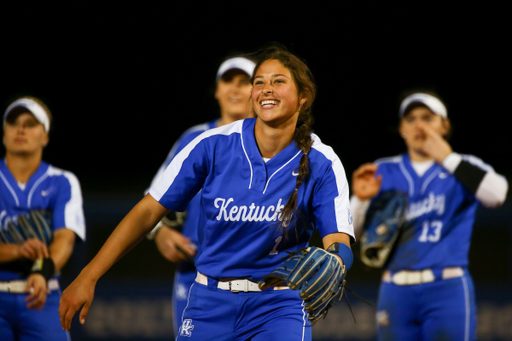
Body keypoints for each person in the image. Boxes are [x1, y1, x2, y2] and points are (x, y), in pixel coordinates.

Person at [58, 45, 355, 341]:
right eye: (260, 82)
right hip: (210, 302)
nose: (266, 89)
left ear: (303, 96)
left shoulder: (322, 161)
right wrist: (89, 275)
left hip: (278, 305)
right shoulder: (212, 144)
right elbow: (148, 211)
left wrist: (338, 260)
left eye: (279, 81)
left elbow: (338, 239)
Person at [350, 92, 508, 341]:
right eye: (411, 119)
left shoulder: (464, 166)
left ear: (445, 126)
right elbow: (353, 233)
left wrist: (447, 157)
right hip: (396, 289)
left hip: (447, 286)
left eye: (428, 118)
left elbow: (497, 195)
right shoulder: (382, 171)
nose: (419, 125)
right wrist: (360, 199)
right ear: (402, 129)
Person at [145, 55, 256, 336]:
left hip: (260, 275)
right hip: (197, 272)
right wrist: (159, 233)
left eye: (244, 82)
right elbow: (153, 197)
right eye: (227, 81)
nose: (234, 88)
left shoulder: (274, 140)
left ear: (257, 90)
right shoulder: (194, 138)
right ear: (217, 90)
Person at [0, 97, 86, 340]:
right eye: (13, 122)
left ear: (45, 136)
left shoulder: (62, 181)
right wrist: (18, 250)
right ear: (4, 133)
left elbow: (64, 240)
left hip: (42, 294)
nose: (21, 129)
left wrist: (41, 270)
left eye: (30, 123)